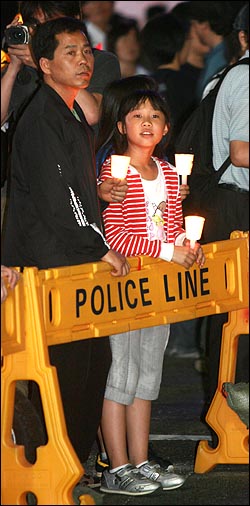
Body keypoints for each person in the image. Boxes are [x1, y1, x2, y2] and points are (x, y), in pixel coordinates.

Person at [1, 15, 130, 476]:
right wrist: (100, 246)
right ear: (44, 64)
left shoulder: (69, 110)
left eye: (86, 51)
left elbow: (67, 190)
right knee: (66, 374)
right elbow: (58, 201)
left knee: (94, 367)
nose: (83, 61)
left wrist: (96, 195)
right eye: (70, 53)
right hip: (53, 265)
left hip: (71, 259)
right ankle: (54, 471)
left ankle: (71, 467)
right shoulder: (41, 117)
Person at [97, 89, 205, 496]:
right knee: (119, 376)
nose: (146, 121)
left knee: (147, 377)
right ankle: (116, 467)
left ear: (165, 128)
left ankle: (140, 460)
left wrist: (185, 243)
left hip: (155, 290)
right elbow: (117, 236)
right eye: (137, 115)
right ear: (122, 126)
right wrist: (168, 250)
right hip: (124, 288)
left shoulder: (169, 174)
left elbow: (171, 225)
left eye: (154, 116)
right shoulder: (114, 173)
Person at [198, 3, 249, 433]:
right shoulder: (247, 77)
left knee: (230, 318)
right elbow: (242, 152)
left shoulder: (224, 77)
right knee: (238, 319)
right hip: (237, 207)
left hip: (224, 206)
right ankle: (233, 417)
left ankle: (229, 416)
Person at [187, 1, 247, 101]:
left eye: (193, 24)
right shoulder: (218, 56)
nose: (192, 30)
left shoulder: (221, 58)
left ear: (203, 24)